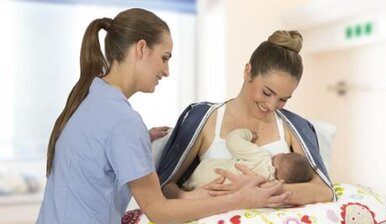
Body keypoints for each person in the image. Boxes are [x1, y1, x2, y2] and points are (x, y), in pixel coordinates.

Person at [36, 8, 290, 224]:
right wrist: (240, 199)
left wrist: (139, 142)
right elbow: (159, 211)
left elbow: (96, 153)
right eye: (164, 58)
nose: (166, 71)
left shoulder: (92, 98)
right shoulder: (123, 121)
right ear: (141, 49)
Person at [159, 30, 335, 205]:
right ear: (248, 71)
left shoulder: (292, 127)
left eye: (283, 99)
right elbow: (164, 186)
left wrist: (263, 189)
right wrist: (190, 196)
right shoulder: (205, 118)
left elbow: (323, 190)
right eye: (267, 92)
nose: (271, 106)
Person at [182, 128, 314, 190]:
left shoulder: (261, 157)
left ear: (279, 157)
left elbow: (232, 141)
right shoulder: (270, 187)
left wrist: (247, 133)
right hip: (215, 193)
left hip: (208, 173)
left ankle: (185, 185)